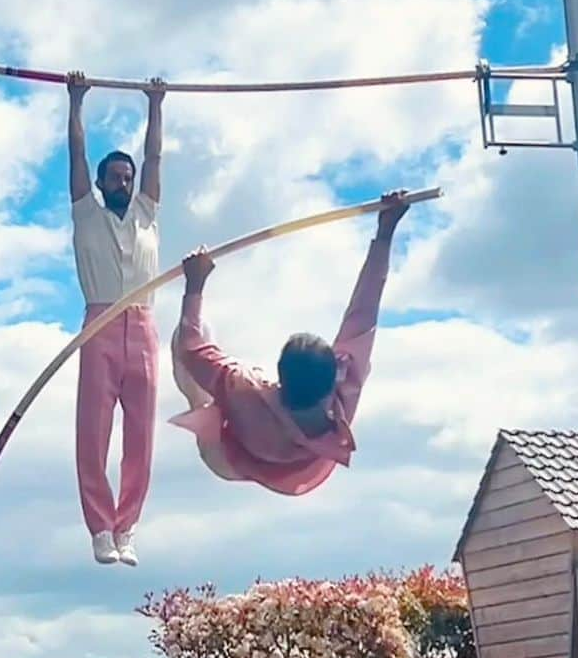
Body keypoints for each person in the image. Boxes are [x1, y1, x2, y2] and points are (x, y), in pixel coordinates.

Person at [170, 192, 412, 495]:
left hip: (227, 462)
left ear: (280, 380)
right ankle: (205, 404)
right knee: (202, 356)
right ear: (329, 382)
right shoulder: (343, 390)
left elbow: (191, 348)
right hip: (300, 468)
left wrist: (195, 285)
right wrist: (385, 234)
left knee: (192, 337)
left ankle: (201, 406)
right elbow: (364, 309)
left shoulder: (246, 390)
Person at [68, 71, 166, 565]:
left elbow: (154, 158)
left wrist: (155, 104)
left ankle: (127, 527)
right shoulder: (87, 213)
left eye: (128, 178)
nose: (124, 183)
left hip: (143, 325)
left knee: (141, 437)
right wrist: (77, 101)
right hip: (100, 323)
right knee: (94, 432)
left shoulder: (148, 211)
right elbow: (77, 158)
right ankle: (100, 529)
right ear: (104, 184)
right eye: (116, 178)